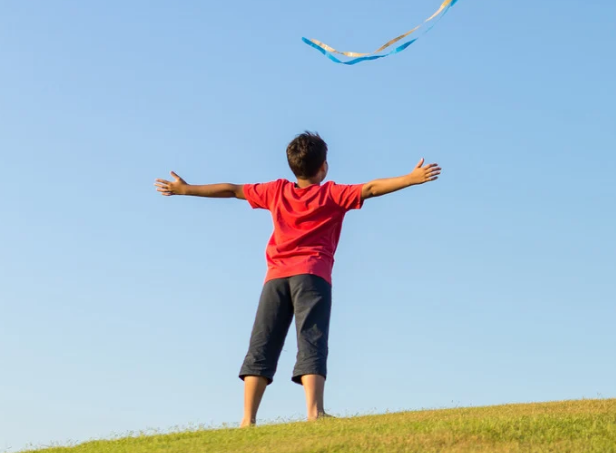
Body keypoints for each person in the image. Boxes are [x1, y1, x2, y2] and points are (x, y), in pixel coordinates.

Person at [155, 132, 440, 426]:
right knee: (312, 339)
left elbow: (232, 190)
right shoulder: (331, 194)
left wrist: (186, 190)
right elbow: (369, 188)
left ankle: (247, 419)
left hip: (275, 278)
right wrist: (410, 178)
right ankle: (315, 412)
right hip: (312, 276)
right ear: (323, 167)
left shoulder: (276, 190)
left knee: (262, 342)